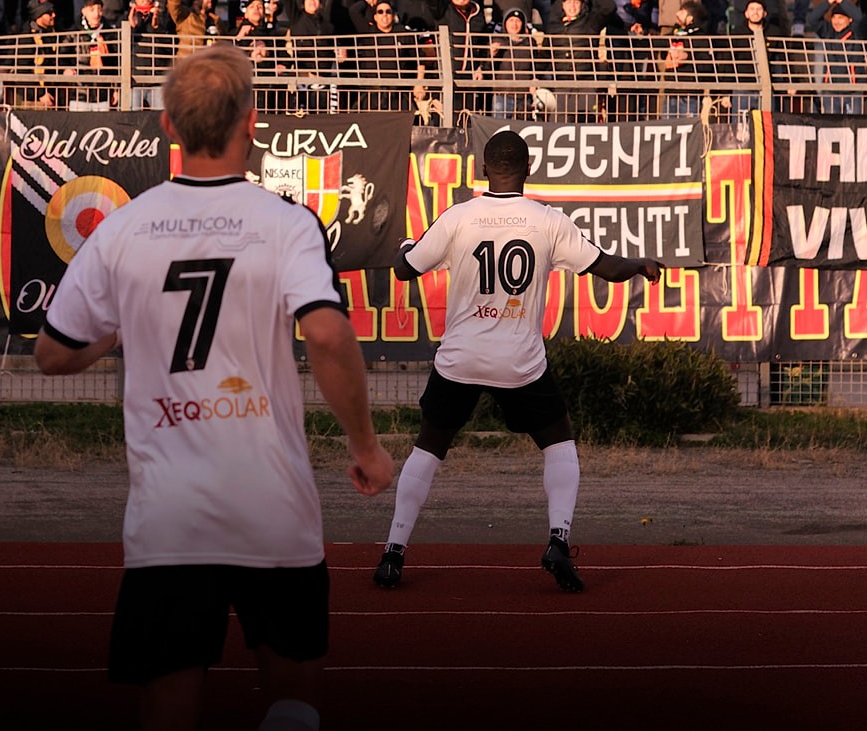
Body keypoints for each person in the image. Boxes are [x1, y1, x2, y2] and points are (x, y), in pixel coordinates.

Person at [35, 45, 390, 731]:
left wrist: (125, 326)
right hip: (273, 502)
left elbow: (53, 352)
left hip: (171, 515)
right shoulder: (286, 223)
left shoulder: (122, 229)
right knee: (292, 700)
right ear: (251, 121)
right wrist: (367, 445)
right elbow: (326, 333)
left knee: (168, 709)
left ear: (168, 124)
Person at [376, 128, 662, 593]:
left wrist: (404, 248)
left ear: (484, 169)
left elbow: (405, 270)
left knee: (428, 448)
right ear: (529, 169)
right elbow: (607, 268)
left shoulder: (459, 217)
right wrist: (641, 263)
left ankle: (392, 553)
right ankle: (558, 541)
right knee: (559, 441)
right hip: (520, 362)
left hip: (461, 359)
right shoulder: (547, 220)